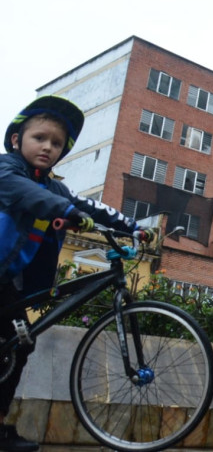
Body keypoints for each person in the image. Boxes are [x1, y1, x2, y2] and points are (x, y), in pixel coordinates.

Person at [0, 96, 155, 452]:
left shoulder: (57, 189)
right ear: (16, 140)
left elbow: (92, 208)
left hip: (8, 282)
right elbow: (28, 195)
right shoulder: (6, 169)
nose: (48, 147)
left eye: (56, 143)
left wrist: (134, 227)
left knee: (18, 345)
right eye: (40, 138)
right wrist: (66, 211)